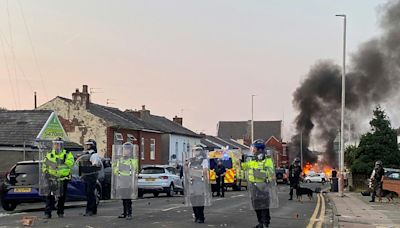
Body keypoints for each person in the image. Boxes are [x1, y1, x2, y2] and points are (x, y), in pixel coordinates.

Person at [242, 140, 278, 228]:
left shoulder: (267, 159)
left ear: (259, 149)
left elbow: (271, 173)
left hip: (263, 185)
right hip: (253, 185)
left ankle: (266, 223)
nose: (252, 150)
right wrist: (241, 159)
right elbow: (244, 166)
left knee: (264, 205)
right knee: (256, 205)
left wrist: (259, 174)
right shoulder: (253, 158)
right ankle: (260, 222)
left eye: (253, 148)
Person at [42, 137, 74, 219]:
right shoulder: (49, 154)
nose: (56, 146)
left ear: (61, 145)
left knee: (61, 197)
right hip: (51, 178)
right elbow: (45, 164)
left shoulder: (67, 153)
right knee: (49, 196)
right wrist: (45, 171)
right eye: (55, 144)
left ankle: (60, 212)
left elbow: (70, 163)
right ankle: (47, 213)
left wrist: (62, 161)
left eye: (58, 144)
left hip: (63, 178)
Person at [184, 145, 211, 224]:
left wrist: (205, 180)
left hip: (200, 182)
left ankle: (200, 217)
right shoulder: (190, 160)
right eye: (195, 151)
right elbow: (186, 171)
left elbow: (205, 171)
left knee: (199, 200)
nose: (196, 152)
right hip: (192, 182)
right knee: (193, 200)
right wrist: (185, 165)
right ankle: (196, 215)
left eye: (198, 150)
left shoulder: (204, 160)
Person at [113, 142, 139, 220]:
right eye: (124, 149)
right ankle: (124, 212)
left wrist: (124, 168)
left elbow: (135, 169)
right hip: (121, 180)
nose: (125, 151)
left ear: (130, 151)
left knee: (128, 198)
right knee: (123, 198)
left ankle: (129, 213)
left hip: (129, 181)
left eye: (127, 150)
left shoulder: (132, 160)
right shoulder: (120, 160)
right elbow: (115, 170)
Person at [82, 139, 102, 216]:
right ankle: (93, 210)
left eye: (89, 145)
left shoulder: (94, 155)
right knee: (88, 193)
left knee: (90, 193)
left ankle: (90, 210)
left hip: (91, 176)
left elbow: (95, 165)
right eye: (87, 145)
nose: (87, 146)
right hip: (86, 176)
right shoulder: (86, 154)